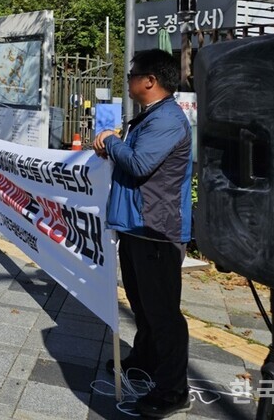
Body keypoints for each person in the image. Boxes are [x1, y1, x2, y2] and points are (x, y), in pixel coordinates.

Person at [93, 49, 192, 419]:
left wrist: (110, 140)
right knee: (142, 304)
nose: (129, 79)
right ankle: (146, 358)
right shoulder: (150, 116)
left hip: (156, 230)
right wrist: (112, 147)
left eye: (132, 74)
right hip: (135, 225)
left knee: (163, 313)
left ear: (150, 80)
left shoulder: (166, 120)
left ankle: (173, 390)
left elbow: (139, 163)